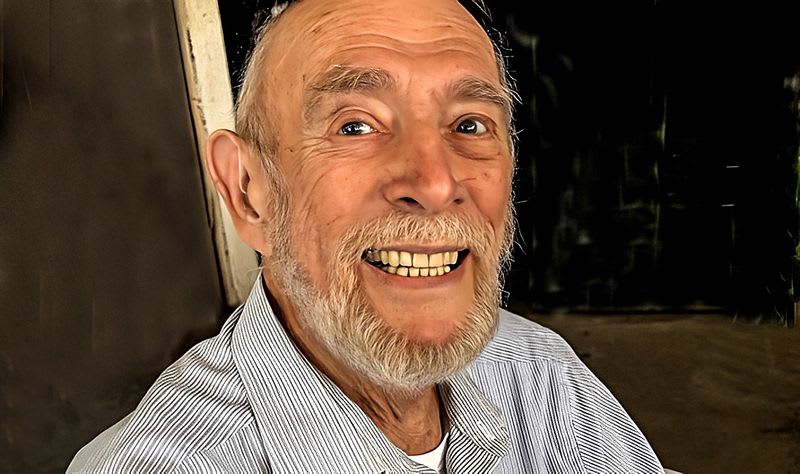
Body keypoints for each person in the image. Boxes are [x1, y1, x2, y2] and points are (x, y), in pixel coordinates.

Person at [68, 0, 666, 472]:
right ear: (249, 191)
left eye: (470, 124)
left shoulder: (538, 371)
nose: (435, 183)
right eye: (355, 125)